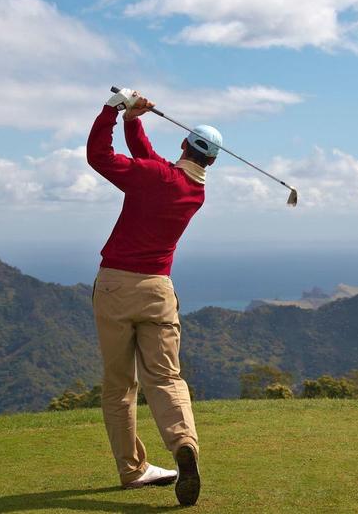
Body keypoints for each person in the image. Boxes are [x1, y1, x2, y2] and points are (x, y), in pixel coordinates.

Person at [86, 87, 222, 506]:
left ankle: (132, 470)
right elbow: (152, 164)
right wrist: (133, 121)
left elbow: (98, 157)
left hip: (115, 287)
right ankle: (184, 445)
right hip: (158, 291)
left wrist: (111, 110)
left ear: (183, 144)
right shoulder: (194, 192)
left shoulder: (155, 177)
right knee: (165, 378)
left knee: (119, 385)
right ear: (212, 161)